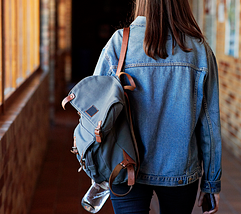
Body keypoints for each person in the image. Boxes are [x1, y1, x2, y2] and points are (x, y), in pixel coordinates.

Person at [93, 0, 222, 213]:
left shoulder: (119, 43)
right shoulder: (199, 49)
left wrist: (98, 169)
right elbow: (209, 124)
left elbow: (96, 112)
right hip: (180, 170)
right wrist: (211, 183)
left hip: (124, 167)